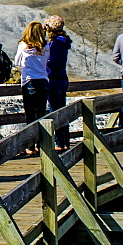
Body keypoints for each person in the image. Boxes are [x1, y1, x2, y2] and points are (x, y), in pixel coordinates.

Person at [14, 21, 50, 152]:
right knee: (41, 113)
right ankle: (42, 145)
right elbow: (47, 61)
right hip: (44, 81)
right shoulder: (46, 46)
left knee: (30, 115)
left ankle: (30, 146)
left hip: (29, 81)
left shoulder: (23, 45)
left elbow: (17, 62)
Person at [44, 15, 72, 150]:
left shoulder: (55, 44)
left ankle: (59, 141)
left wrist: (44, 64)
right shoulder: (64, 42)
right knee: (62, 110)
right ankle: (65, 140)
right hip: (62, 77)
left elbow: (52, 62)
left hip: (53, 78)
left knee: (55, 111)